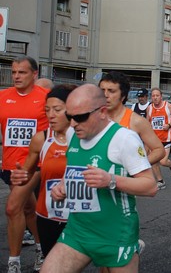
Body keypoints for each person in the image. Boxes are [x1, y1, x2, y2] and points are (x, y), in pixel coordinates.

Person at [40, 84, 157, 273]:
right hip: (78, 232)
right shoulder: (73, 134)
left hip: (115, 235)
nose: (73, 123)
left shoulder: (124, 138)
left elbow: (150, 186)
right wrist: (63, 186)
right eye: (70, 117)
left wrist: (111, 180)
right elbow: (73, 168)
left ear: (102, 112)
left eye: (80, 117)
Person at [11, 85, 76, 262]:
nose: (50, 115)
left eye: (57, 110)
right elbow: (28, 172)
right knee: (52, 263)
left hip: (78, 217)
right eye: (47, 110)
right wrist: (21, 176)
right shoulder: (41, 139)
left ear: (71, 110)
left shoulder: (84, 139)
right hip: (48, 215)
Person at [1, 56, 49, 273]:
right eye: (14, 72)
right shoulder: (3, 97)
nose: (16, 76)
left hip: (35, 165)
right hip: (10, 165)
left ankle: (14, 262)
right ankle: (41, 249)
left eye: (22, 72)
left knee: (13, 208)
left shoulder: (46, 98)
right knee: (29, 208)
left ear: (34, 74)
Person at [99, 72, 165, 165]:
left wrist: (137, 167)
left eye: (111, 91)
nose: (105, 95)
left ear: (123, 96)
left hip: (124, 178)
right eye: (102, 90)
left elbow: (159, 150)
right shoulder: (91, 118)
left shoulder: (137, 121)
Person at [147, 87, 171, 189]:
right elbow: (147, 122)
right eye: (153, 96)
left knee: (162, 162)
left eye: (157, 95)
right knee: (153, 161)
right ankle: (160, 181)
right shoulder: (149, 108)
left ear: (161, 96)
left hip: (166, 138)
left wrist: (169, 125)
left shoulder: (168, 106)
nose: (155, 98)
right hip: (154, 140)